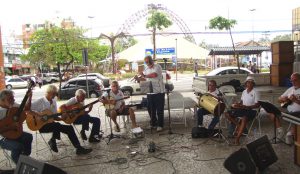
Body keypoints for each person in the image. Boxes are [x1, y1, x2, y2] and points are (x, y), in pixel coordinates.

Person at [31, 85, 92, 155]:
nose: (54, 96)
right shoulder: (40, 101)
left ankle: (78, 148)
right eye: (53, 94)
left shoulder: (53, 101)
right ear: (48, 92)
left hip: (53, 125)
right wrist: (38, 116)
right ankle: (52, 140)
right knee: (56, 125)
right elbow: (27, 108)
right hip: (41, 126)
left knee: (69, 128)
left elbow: (54, 117)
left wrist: (62, 118)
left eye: (55, 94)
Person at [0, 89, 33, 164]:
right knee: (17, 146)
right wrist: (11, 127)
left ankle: (24, 157)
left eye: (13, 98)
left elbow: (26, 108)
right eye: (10, 99)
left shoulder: (12, 105)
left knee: (28, 137)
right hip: (2, 138)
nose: (13, 100)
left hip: (14, 133)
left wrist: (29, 97)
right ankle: (20, 165)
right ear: (2, 100)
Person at [226, 76, 260, 145]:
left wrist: (247, 107)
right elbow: (241, 102)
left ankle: (237, 139)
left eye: (251, 83)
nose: (249, 84)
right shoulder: (244, 91)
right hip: (243, 109)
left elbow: (257, 105)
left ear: (253, 84)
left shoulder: (255, 92)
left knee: (244, 118)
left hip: (252, 110)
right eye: (248, 82)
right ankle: (239, 126)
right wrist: (237, 104)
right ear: (246, 83)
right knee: (227, 113)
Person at [139, 55, 165, 132]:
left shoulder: (157, 67)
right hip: (150, 92)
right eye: (146, 62)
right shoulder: (146, 69)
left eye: (148, 61)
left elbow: (154, 75)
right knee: (150, 109)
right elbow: (145, 78)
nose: (147, 63)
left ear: (151, 61)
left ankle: (160, 125)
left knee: (159, 110)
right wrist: (139, 78)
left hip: (159, 91)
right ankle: (153, 123)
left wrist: (144, 75)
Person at [277, 72, 300, 144]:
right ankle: (286, 132)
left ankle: (290, 133)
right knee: (274, 113)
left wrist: (295, 100)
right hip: (290, 112)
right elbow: (279, 99)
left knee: (295, 118)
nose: (293, 82)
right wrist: (283, 99)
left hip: (297, 113)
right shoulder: (290, 89)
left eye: (295, 80)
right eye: (291, 80)